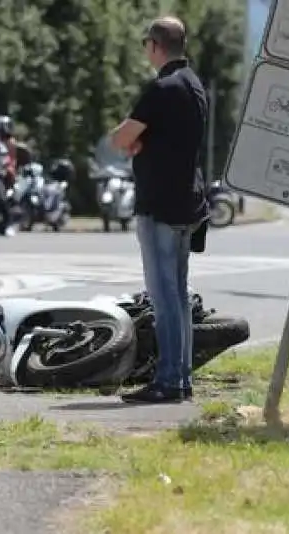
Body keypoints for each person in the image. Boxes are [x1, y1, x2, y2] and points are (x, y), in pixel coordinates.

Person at [109, 16, 209, 404]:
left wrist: (130, 140)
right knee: (180, 295)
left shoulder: (161, 88)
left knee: (164, 295)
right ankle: (181, 378)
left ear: (154, 45)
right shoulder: (194, 86)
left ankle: (167, 381)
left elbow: (122, 138)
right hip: (188, 201)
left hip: (160, 205)